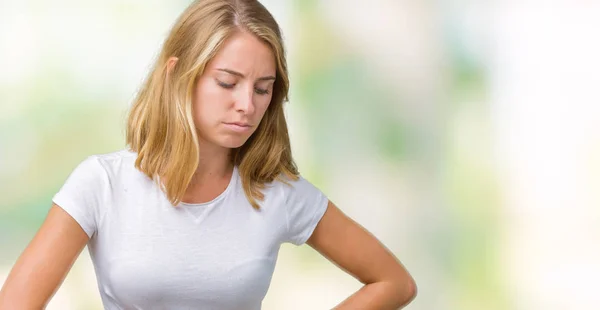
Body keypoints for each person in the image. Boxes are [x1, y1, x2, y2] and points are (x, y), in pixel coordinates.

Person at [0, 0, 416, 309]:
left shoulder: (277, 195)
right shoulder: (102, 184)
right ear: (178, 75)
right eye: (227, 82)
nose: (247, 105)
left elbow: (394, 282)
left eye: (262, 88)